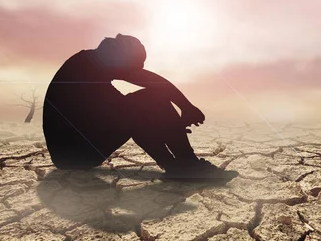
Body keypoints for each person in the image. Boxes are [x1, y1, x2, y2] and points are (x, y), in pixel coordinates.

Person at [42, 33, 236, 180]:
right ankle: (186, 164)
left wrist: (168, 125)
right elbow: (153, 85)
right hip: (75, 155)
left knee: (146, 109)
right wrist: (185, 107)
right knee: (151, 100)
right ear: (119, 58)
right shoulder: (90, 65)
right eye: (132, 66)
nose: (134, 72)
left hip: (72, 154)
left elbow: (132, 115)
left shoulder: (91, 70)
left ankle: (177, 167)